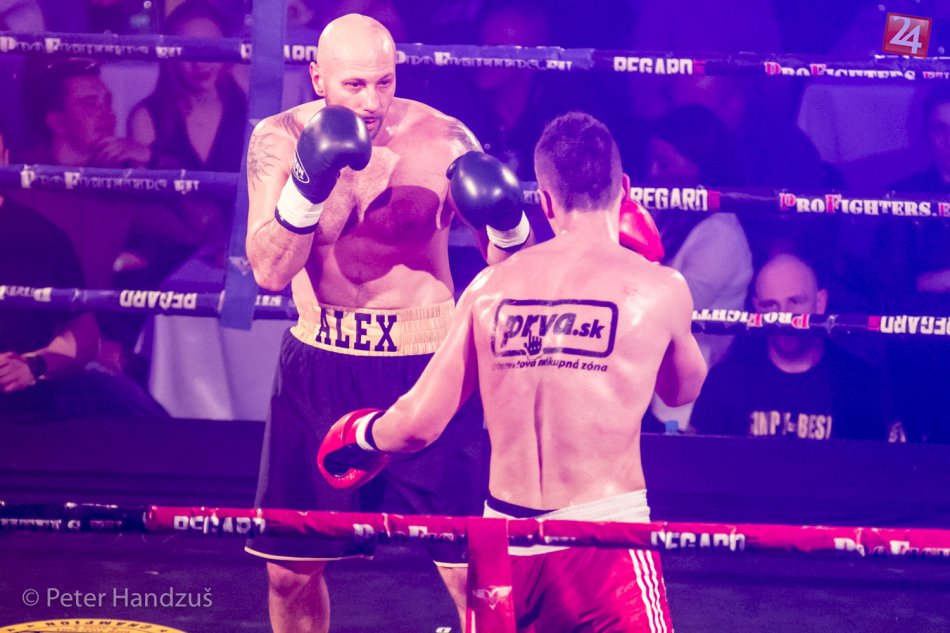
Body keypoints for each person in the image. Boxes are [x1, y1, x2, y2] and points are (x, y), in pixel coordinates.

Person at [316, 112, 708, 632]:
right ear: (626, 189)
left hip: (503, 546)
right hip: (603, 542)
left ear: (544, 200)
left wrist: (360, 435)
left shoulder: (490, 287)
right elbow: (682, 392)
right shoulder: (656, 286)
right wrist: (652, 274)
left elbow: (416, 425)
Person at [243, 14, 540, 633]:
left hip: (427, 365)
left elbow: (517, 271)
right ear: (317, 78)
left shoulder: (443, 139)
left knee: (474, 573)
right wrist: (308, 186)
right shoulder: (278, 140)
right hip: (318, 363)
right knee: (290, 571)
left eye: (384, 82)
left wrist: (510, 224)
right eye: (354, 85)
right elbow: (269, 272)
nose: (372, 103)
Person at [0, 122, 164, 419]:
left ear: (5, 159)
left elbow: (83, 333)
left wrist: (33, 365)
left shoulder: (40, 236)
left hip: (24, 402)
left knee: (132, 409)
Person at [690, 252, 892, 441]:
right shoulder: (726, 382)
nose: (784, 316)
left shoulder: (860, 384)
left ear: (820, 303)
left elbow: (876, 464)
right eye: (771, 305)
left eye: (795, 302)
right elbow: (704, 462)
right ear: (757, 308)